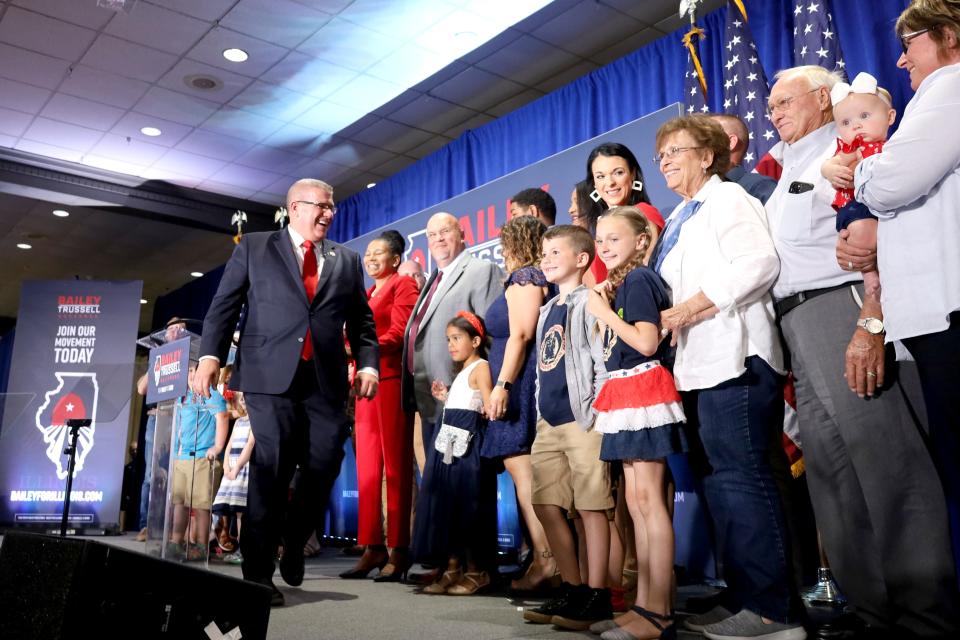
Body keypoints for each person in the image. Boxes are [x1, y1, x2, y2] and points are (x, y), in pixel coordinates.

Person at [765, 65, 959, 637]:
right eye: (770, 104)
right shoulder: (790, 166)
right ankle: (870, 613)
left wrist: (871, 318)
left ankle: (926, 616)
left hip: (843, 306)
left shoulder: (853, 146)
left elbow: (875, 228)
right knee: (832, 476)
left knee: (888, 463)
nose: (773, 112)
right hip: (796, 320)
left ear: (824, 99)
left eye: (783, 100)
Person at [652, 115, 804, 640]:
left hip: (735, 360)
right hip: (699, 366)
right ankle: (743, 597)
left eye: (677, 150)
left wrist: (692, 307)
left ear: (709, 155)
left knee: (744, 480)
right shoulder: (682, 216)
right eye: (662, 153)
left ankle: (775, 612)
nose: (667, 160)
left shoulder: (729, 200)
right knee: (721, 483)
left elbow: (759, 262)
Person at [194, 178, 379, 607]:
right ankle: (258, 574)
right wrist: (209, 357)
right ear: (295, 207)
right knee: (272, 467)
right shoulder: (256, 247)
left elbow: (362, 323)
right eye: (322, 206)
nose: (329, 214)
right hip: (267, 379)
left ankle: (295, 539)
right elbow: (224, 305)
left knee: (325, 462)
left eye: (332, 207)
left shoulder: (346, 260)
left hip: (324, 383)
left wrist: (368, 364)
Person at [849, 0, 960, 586]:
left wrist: (864, 172)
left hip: (950, 310)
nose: (901, 57)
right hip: (935, 313)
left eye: (910, 42)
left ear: (947, 36)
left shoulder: (950, 86)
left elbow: (892, 183)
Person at [585, 207, 687, 640]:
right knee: (636, 503)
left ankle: (659, 612)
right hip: (626, 393)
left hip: (645, 390)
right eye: (600, 240)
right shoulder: (621, 285)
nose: (605, 247)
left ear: (641, 241)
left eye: (614, 238)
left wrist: (604, 313)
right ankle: (645, 606)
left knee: (648, 503)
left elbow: (646, 341)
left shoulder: (641, 280)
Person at [522, 224, 613, 631]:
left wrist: (594, 411)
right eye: (544, 253)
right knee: (545, 504)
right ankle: (574, 588)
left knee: (592, 508)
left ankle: (597, 594)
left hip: (582, 420)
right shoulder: (545, 310)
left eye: (555, 252)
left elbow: (602, 362)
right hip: (549, 422)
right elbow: (545, 366)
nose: (546, 259)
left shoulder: (590, 301)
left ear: (581, 259)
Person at [480, 215, 557, 593]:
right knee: (523, 475)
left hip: (519, 384)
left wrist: (502, 385)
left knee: (526, 476)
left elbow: (522, 334)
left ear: (513, 244)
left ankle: (548, 561)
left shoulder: (525, 277)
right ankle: (547, 558)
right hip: (516, 382)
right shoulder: (531, 277)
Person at [342, 230, 419, 581]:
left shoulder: (403, 285)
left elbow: (401, 332)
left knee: (395, 469)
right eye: (368, 254)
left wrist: (361, 350)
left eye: (379, 254)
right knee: (368, 470)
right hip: (364, 388)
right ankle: (371, 546)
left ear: (396, 259)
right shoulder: (368, 292)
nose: (371, 259)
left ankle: (399, 548)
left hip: (389, 382)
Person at [401, 212, 502, 458]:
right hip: (430, 396)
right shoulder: (434, 279)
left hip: (461, 398)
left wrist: (477, 389)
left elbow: (489, 335)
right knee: (440, 483)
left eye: (445, 231)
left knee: (463, 482)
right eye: (432, 235)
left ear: (462, 234)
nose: (439, 239)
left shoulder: (481, 270)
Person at [412, 312, 497, 595]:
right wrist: (447, 397)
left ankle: (476, 571)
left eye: (457, 338)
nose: (451, 344)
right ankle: (452, 568)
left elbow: (486, 404)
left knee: (468, 510)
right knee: (448, 510)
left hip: (467, 449)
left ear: (475, 340)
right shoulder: (462, 371)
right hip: (448, 443)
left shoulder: (481, 367)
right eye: (448, 339)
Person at [819, 72, 896, 300]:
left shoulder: (894, 147)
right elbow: (829, 164)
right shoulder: (847, 149)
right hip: (856, 207)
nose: (856, 125)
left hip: (886, 207)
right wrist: (831, 170)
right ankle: (869, 274)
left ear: (890, 117)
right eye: (846, 122)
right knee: (861, 234)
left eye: (864, 115)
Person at [170, 363, 229, 561]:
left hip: (203, 458)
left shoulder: (210, 394)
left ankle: (202, 547)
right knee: (180, 503)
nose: (192, 375)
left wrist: (218, 447)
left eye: (195, 370)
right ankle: (175, 543)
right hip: (183, 457)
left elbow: (222, 417)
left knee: (202, 505)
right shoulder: (183, 396)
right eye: (188, 371)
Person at [135, 317, 187, 542]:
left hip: (180, 421)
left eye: (181, 329)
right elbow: (141, 389)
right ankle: (147, 525)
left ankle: (170, 527)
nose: (176, 332)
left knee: (176, 476)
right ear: (165, 334)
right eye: (172, 329)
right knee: (151, 476)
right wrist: (158, 357)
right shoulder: (158, 357)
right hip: (157, 421)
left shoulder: (187, 357)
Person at [585, 143, 665, 288]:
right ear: (594, 183)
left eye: (618, 173)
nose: (610, 183)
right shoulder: (599, 229)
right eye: (600, 176)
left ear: (632, 174)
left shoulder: (643, 212)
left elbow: (646, 267)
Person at [212, 392, 255, 565]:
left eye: (247, 396)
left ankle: (245, 550)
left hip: (244, 469)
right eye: (242, 397)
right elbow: (229, 445)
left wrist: (237, 467)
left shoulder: (256, 423)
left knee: (242, 513)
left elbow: (250, 445)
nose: (243, 400)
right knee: (237, 512)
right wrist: (226, 466)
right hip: (232, 470)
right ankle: (240, 548)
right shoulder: (238, 421)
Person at [709, 113, 778, 204]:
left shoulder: (761, 187)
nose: (697, 143)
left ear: (730, 142)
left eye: (706, 136)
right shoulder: (698, 191)